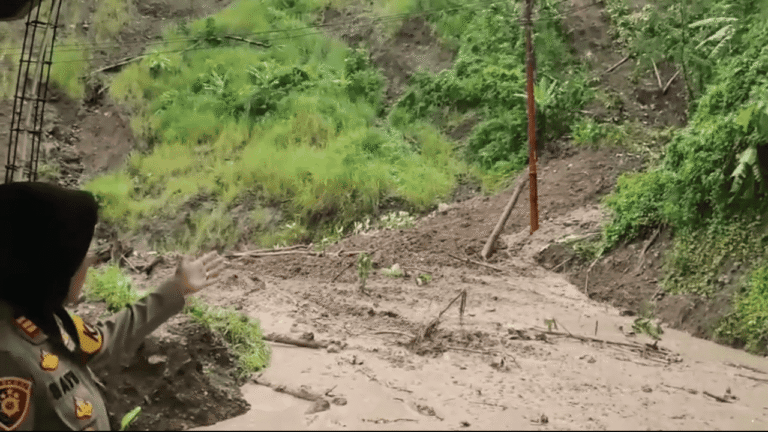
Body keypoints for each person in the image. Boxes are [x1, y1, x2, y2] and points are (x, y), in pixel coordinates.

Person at [0, 181, 227, 430]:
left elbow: (106, 339)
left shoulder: (44, 320)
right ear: (49, 260)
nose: (90, 263)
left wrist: (177, 288)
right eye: (80, 253)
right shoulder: (8, 358)